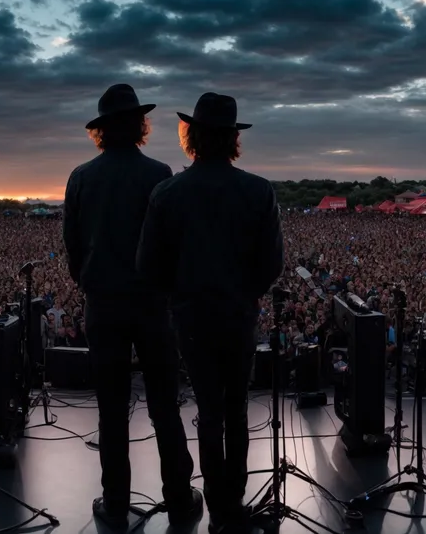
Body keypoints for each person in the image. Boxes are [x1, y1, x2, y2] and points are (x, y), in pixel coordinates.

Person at [137, 92, 284, 533]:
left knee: (209, 409)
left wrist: (179, 297)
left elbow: (148, 266)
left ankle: (216, 500)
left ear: (193, 136)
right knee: (237, 408)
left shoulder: (167, 193)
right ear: (233, 139)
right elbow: (272, 263)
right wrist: (246, 293)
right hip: (238, 315)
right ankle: (229, 506)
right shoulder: (259, 191)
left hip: (191, 318)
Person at [64, 84, 201, 530]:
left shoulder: (81, 177)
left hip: (103, 304)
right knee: (165, 404)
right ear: (140, 125)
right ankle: (180, 498)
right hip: (152, 305)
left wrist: (90, 279)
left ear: (101, 131)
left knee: (110, 408)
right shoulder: (159, 173)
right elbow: (173, 242)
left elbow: (72, 245)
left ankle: (116, 502)